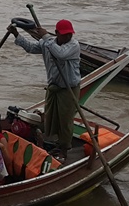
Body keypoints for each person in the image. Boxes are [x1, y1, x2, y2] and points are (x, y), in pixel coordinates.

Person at [10, 19, 81, 156]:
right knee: (51, 117)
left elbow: (61, 54)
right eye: (64, 34)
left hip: (68, 88)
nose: (67, 37)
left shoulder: (74, 45)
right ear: (57, 33)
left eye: (69, 34)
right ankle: (56, 144)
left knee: (65, 120)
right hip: (54, 87)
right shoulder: (48, 43)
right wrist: (16, 35)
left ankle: (65, 149)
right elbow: (30, 48)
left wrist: (45, 37)